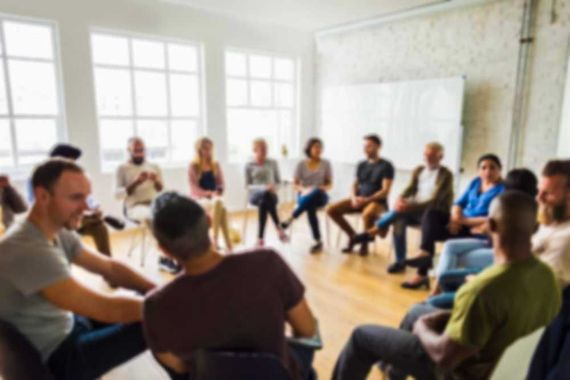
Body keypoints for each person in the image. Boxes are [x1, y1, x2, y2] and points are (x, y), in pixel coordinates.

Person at [332, 191, 561, 380]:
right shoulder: (547, 277)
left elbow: (443, 356)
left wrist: (423, 327)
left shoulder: (484, 289)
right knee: (416, 310)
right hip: (504, 366)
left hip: (460, 371)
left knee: (362, 337)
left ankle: (394, 365)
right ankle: (393, 372)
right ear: (534, 228)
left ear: (490, 225)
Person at [0, 159, 157, 380]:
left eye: (87, 196)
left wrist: (156, 289)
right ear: (43, 196)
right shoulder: (26, 248)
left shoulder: (54, 226)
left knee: (150, 299)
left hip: (68, 326)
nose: (87, 207)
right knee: (158, 321)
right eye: (76, 198)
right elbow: (105, 308)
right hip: (59, 358)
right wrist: (169, 304)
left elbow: (110, 268)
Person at [143, 192, 318, 380]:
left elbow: (179, 368)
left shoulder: (155, 306)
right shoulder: (267, 263)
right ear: (210, 221)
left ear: (164, 250)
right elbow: (307, 330)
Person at [428, 168, 539, 308]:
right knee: (450, 247)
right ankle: (439, 293)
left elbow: (499, 235)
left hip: (496, 249)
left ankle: (448, 299)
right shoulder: (510, 203)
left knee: (456, 258)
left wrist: (484, 228)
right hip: (487, 241)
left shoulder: (515, 208)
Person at [402, 153, 505, 289]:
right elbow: (458, 202)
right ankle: (425, 253)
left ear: (500, 170)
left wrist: (464, 221)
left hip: (476, 230)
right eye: (483, 168)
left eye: (492, 168)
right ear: (478, 170)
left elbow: (493, 218)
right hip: (459, 223)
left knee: (430, 234)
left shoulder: (503, 189)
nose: (487, 171)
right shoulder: (475, 182)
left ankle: (422, 274)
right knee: (431, 213)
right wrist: (455, 216)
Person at [350, 142, 453, 271]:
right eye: (426, 155)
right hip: (413, 211)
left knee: (399, 213)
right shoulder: (419, 170)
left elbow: (435, 201)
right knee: (399, 219)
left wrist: (408, 207)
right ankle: (400, 262)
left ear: (441, 157)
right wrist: (400, 199)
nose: (427, 158)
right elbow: (409, 189)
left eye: (432, 155)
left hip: (432, 214)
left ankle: (372, 231)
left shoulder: (446, 175)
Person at [48, 143, 123, 257]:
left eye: (73, 161)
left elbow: (88, 197)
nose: (73, 164)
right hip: (57, 223)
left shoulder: (76, 176)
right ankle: (99, 218)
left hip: (78, 219)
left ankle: (107, 260)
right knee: (95, 220)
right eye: (70, 161)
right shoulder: (45, 178)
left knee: (99, 227)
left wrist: (96, 207)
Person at [326, 135, 394, 256]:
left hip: (377, 202)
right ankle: (354, 236)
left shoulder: (386, 166)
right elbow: (355, 184)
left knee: (368, 214)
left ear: (378, 147)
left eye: (370, 146)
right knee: (331, 210)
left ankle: (364, 244)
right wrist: (353, 197)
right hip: (359, 199)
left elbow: (385, 190)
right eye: (365, 146)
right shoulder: (361, 164)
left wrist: (367, 200)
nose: (366, 149)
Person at [115, 137, 173, 272]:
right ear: (128, 150)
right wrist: (136, 182)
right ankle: (164, 258)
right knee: (152, 216)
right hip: (134, 207)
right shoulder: (122, 168)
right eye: (136, 150)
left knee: (175, 213)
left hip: (155, 203)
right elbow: (117, 195)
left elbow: (161, 190)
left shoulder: (154, 167)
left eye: (142, 150)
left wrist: (156, 181)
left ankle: (179, 251)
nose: (139, 153)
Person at [281, 138, 333, 254]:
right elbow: (295, 183)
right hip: (304, 194)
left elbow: (329, 183)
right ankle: (318, 241)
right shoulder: (301, 164)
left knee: (315, 192)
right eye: (315, 147)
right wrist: (303, 190)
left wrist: (322, 188)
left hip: (320, 195)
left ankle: (291, 218)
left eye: (320, 147)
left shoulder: (326, 164)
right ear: (309, 149)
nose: (318, 149)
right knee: (310, 207)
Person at [188, 137, 232, 251]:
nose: (208, 151)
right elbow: (194, 189)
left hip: (215, 197)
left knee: (219, 203)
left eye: (210, 148)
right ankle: (226, 243)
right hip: (200, 199)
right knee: (221, 207)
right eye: (205, 148)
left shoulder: (215, 164)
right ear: (199, 150)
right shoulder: (193, 166)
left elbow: (221, 184)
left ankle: (215, 239)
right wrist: (209, 193)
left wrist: (219, 191)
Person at [245, 138, 288, 246]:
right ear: (255, 149)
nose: (265, 150)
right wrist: (264, 188)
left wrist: (274, 187)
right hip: (254, 195)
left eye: (266, 148)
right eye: (262, 148)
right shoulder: (249, 165)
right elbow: (248, 186)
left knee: (264, 201)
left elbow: (278, 181)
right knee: (264, 196)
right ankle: (279, 229)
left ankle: (260, 239)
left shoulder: (273, 162)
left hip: (271, 194)